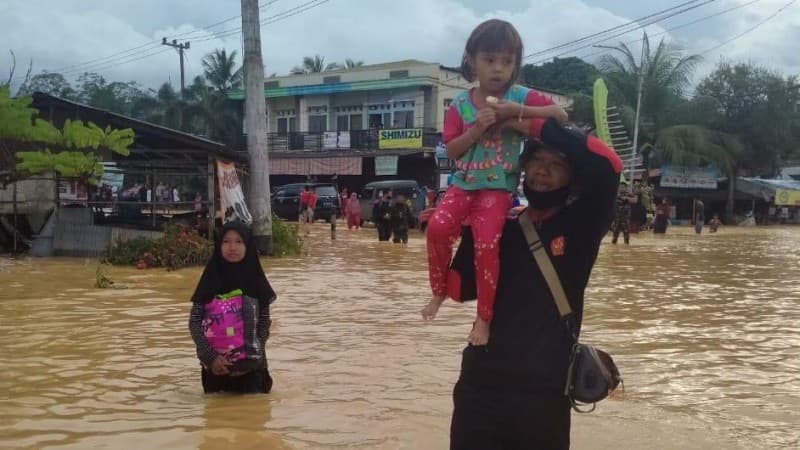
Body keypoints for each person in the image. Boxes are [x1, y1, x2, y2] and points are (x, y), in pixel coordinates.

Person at [448, 119, 622, 449]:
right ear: (523, 167)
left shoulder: (582, 226)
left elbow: (609, 165)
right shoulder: (500, 225)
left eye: (557, 165)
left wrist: (524, 121)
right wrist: (466, 226)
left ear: (573, 178)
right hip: (479, 388)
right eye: (537, 160)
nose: (543, 170)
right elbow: (459, 290)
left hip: (544, 395)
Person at [422, 18, 568, 346]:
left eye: (506, 61)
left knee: (487, 245)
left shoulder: (518, 96)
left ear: (515, 65)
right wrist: (476, 129)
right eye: (489, 60)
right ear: (472, 61)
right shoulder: (460, 104)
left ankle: (483, 318)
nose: (498, 69)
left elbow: (559, 114)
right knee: (437, 229)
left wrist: (516, 111)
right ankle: (439, 291)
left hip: (498, 188)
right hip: (463, 183)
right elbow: (453, 151)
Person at [188, 220, 276, 394]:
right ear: (219, 245)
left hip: (252, 372)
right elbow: (195, 322)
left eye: (239, 241)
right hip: (214, 372)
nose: (232, 247)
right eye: (226, 241)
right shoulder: (209, 279)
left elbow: (264, 323)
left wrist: (252, 357)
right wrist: (211, 358)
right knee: (216, 410)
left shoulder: (256, 280)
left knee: (254, 409)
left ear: (248, 246)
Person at [611, 180, 637, 245]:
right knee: (615, 234)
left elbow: (635, 200)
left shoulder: (628, 194)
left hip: (625, 217)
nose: (621, 188)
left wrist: (626, 198)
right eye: (620, 187)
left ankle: (626, 246)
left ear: (625, 187)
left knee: (626, 234)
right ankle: (614, 245)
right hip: (617, 217)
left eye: (623, 187)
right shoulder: (615, 194)